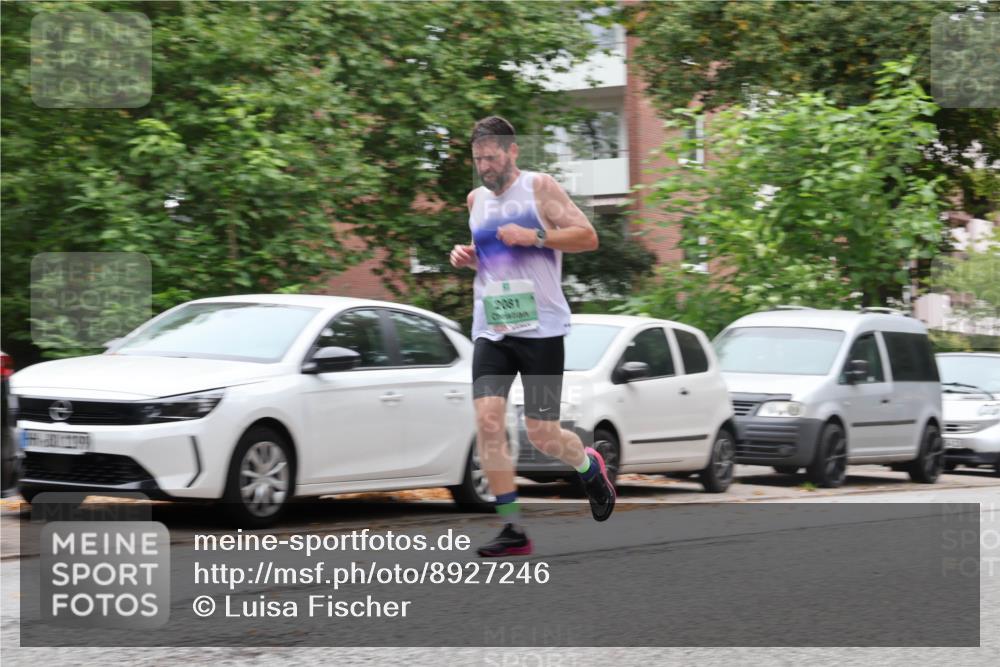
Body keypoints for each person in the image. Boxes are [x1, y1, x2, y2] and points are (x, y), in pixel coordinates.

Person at [449, 116, 615, 557]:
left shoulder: (539, 188)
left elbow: (588, 237)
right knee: (487, 421)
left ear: (512, 151)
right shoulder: (475, 200)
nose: (485, 165)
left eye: (491, 156)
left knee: (542, 433)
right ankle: (512, 530)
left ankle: (588, 465)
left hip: (541, 330)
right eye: (478, 159)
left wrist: (535, 235)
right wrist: (467, 257)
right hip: (492, 329)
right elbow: (491, 259)